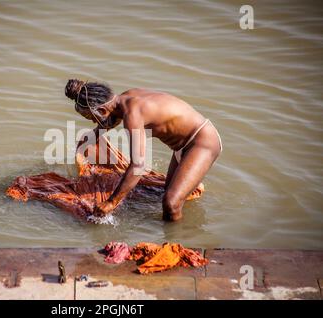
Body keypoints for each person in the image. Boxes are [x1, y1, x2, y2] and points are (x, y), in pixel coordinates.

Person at [65, 79, 222, 221]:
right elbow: (110, 121)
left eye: (92, 118)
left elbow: (138, 166)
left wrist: (111, 202)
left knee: (171, 203)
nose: (94, 122)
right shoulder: (125, 99)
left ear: (103, 110)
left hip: (202, 142)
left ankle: (179, 242)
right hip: (183, 146)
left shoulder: (133, 115)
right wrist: (94, 136)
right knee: (167, 193)